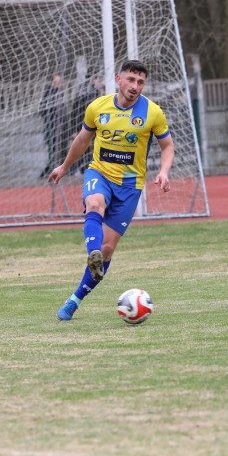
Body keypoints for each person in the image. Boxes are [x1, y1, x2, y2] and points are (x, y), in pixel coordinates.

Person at [50, 60, 174, 321]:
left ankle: (75, 300)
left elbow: (167, 146)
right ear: (119, 79)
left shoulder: (152, 112)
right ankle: (92, 253)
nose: (135, 86)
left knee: (107, 249)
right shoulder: (97, 107)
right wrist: (64, 166)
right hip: (100, 173)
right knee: (94, 203)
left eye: (140, 82)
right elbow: (83, 140)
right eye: (131, 80)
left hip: (130, 186)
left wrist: (163, 172)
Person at [40, 75, 66, 177]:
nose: (62, 85)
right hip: (54, 132)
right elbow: (42, 110)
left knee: (59, 156)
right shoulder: (51, 94)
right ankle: (46, 175)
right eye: (60, 82)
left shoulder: (57, 94)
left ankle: (50, 173)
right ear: (54, 83)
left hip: (59, 130)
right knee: (55, 156)